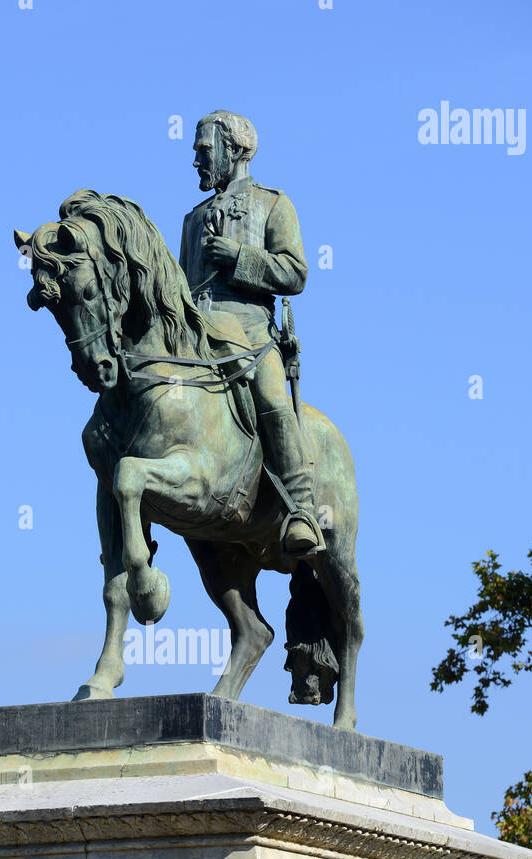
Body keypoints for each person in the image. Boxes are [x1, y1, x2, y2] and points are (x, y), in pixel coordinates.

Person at [179, 109, 323, 555]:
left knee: (273, 402)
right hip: (196, 338)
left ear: (235, 149)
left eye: (204, 150)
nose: (196, 160)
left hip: (250, 335)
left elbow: (295, 273)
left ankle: (301, 510)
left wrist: (237, 257)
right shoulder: (191, 218)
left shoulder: (273, 203)